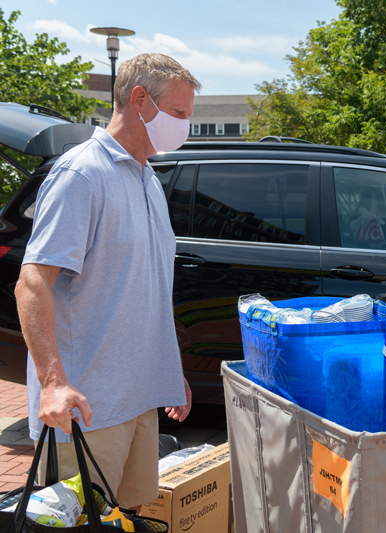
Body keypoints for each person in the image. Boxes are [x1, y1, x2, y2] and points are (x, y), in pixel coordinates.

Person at [15, 53, 202, 509]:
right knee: (83, 519)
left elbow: (146, 288)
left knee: (128, 513)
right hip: (87, 408)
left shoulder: (148, 178)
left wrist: (170, 369)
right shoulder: (82, 174)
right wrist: (54, 382)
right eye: (179, 114)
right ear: (139, 100)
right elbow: (32, 282)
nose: (185, 127)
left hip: (139, 399)